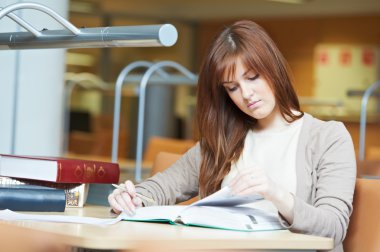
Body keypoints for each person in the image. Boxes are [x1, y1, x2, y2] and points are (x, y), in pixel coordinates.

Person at [108, 20, 356, 252]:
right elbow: (162, 187)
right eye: (232, 88)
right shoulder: (222, 141)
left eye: (252, 77)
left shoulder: (328, 138)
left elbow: (333, 228)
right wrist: (132, 198)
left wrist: (275, 192)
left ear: (273, 68)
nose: (246, 94)